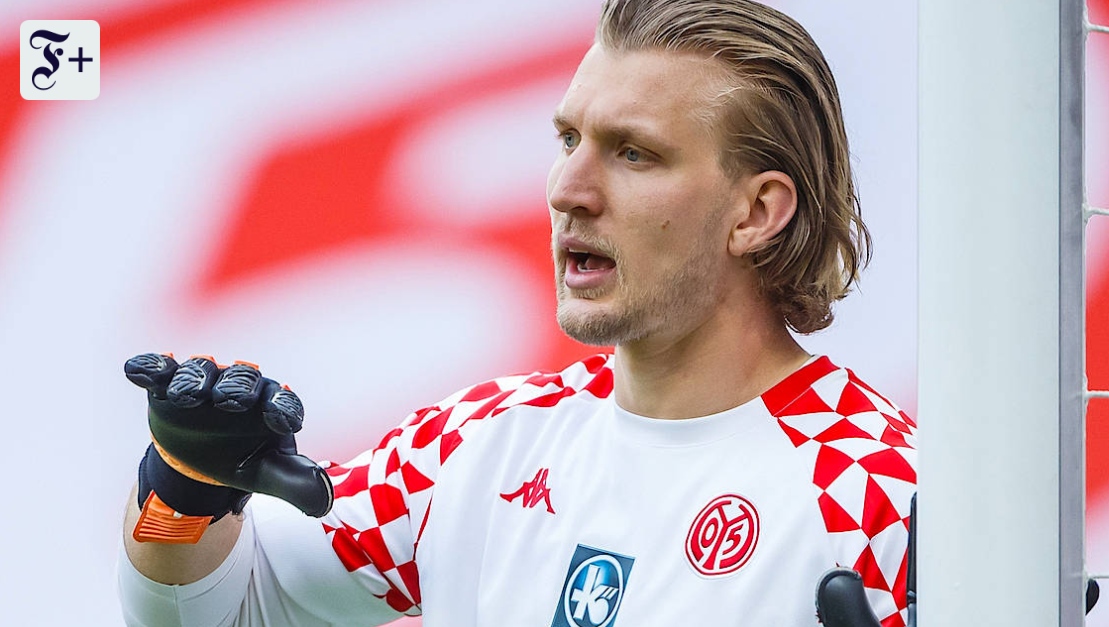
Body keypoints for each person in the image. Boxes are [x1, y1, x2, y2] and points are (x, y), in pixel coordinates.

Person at [118, 0, 917, 625]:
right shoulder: (481, 446)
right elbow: (222, 610)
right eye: (568, 138)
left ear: (757, 212)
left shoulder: (879, 492)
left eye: (634, 152)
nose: (568, 187)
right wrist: (182, 488)